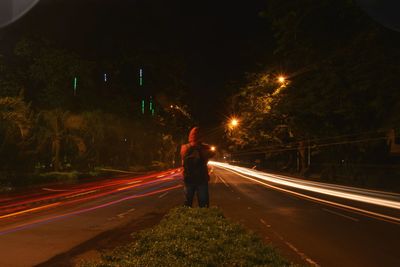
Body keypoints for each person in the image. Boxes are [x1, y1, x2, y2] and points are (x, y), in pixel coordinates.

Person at [180, 127, 215, 207]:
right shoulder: (205, 148)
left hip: (188, 179)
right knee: (204, 205)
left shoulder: (184, 147)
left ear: (190, 136)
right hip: (202, 178)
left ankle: (186, 218)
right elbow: (212, 154)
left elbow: (183, 161)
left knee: (187, 204)